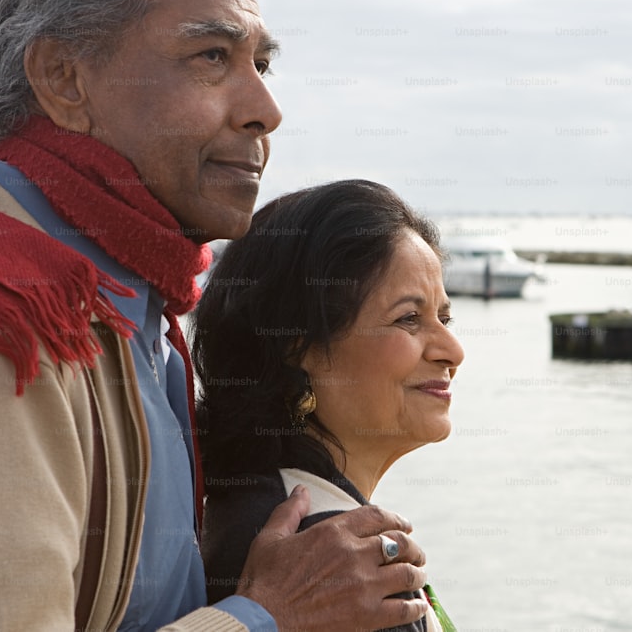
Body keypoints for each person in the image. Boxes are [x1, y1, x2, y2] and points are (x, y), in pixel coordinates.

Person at [0, 0, 432, 630]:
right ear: (64, 78)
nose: (266, 108)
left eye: (260, 63)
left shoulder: (131, 310)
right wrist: (264, 617)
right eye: (211, 56)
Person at [192, 180, 466, 631]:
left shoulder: (244, 507)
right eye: (409, 319)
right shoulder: (343, 572)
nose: (452, 350)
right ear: (299, 347)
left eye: (445, 318)